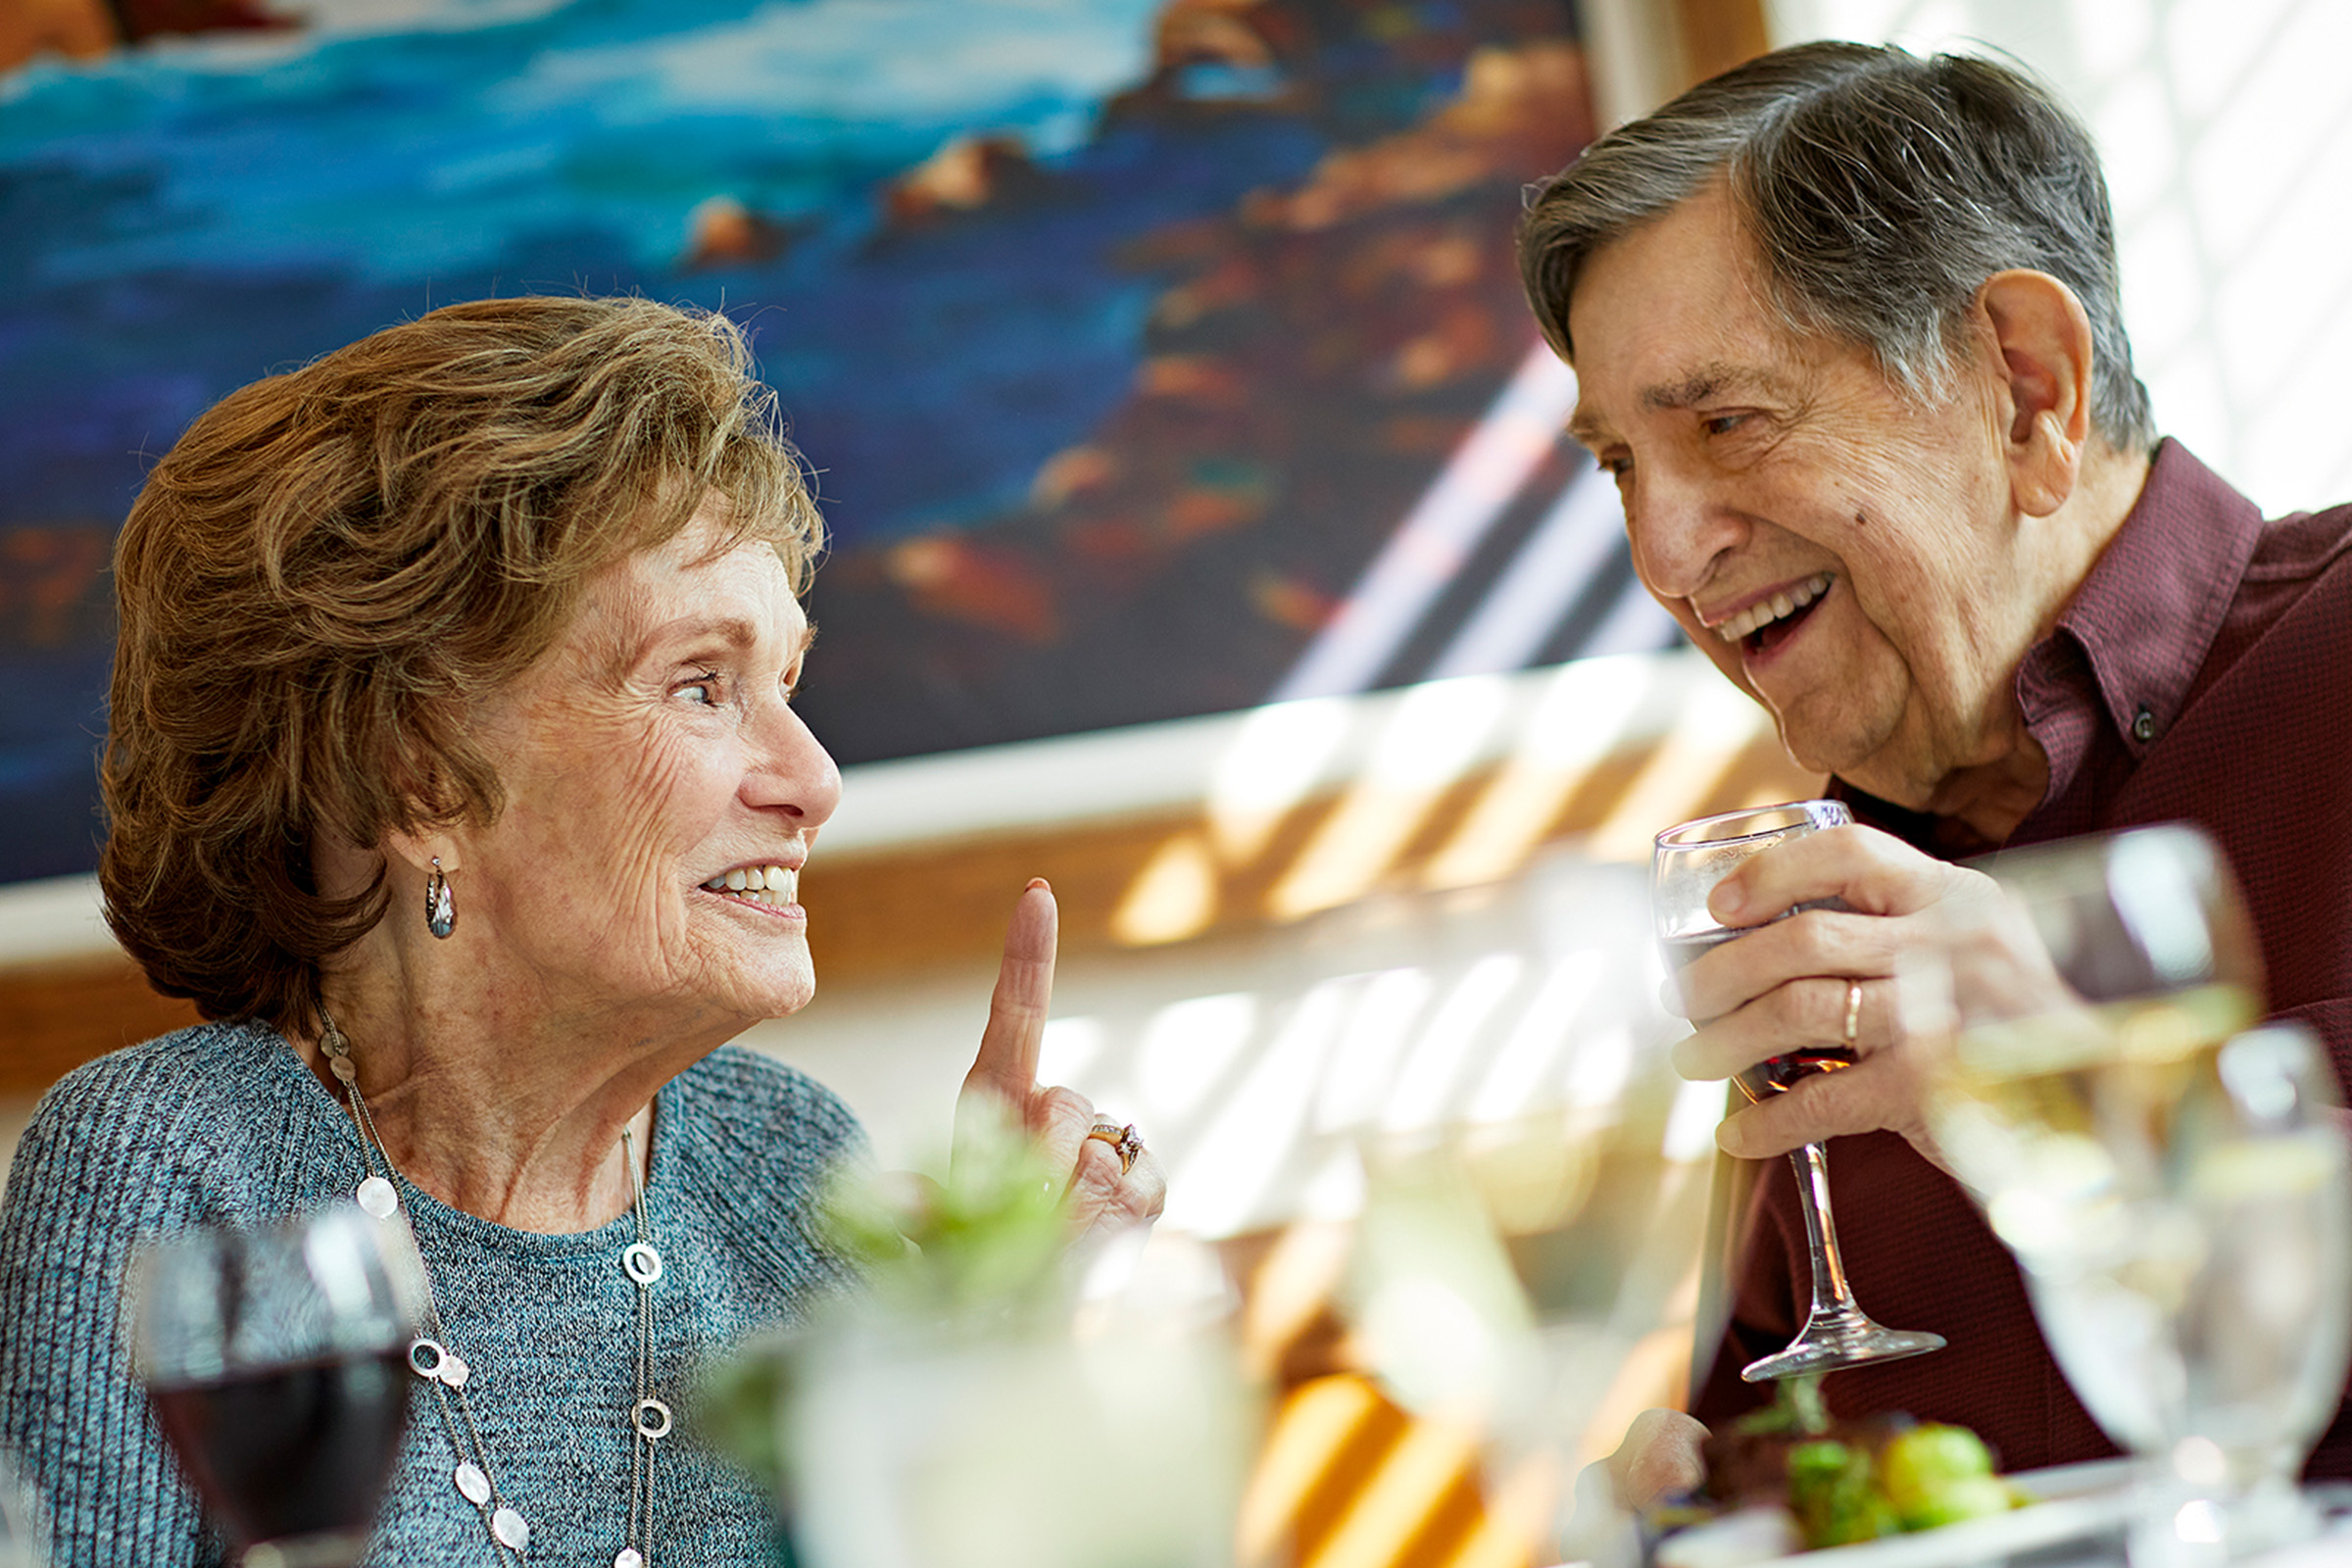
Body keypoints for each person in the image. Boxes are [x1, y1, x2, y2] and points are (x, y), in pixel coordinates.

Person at [0, 295, 1166, 1566]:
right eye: (701, 684)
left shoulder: (787, 1163)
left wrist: (1003, 1356)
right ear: (418, 779)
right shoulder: (176, 1175)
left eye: (785, 683)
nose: (815, 779)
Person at [1516, 41, 2352, 1493]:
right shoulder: (1810, 929)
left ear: (2027, 387)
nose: (1663, 558)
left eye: (1727, 423)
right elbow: (1802, 1450)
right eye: (1621, 467)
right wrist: (1707, 1500)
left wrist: (2093, 1100)